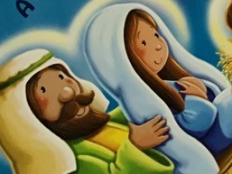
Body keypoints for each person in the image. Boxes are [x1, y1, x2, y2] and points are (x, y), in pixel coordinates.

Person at [83, 5, 232, 174]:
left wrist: (203, 93)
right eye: (143, 43)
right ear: (125, 60)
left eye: (156, 35)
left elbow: (209, 103)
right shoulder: (148, 104)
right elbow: (197, 125)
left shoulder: (168, 82)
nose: (158, 45)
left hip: (213, 130)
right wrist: (199, 98)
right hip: (206, 144)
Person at [0, 49, 172, 174]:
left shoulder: (97, 126)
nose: (67, 93)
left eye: (61, 77)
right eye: (44, 90)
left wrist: (149, 91)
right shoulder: (74, 162)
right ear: (29, 116)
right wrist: (135, 147)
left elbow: (118, 118)